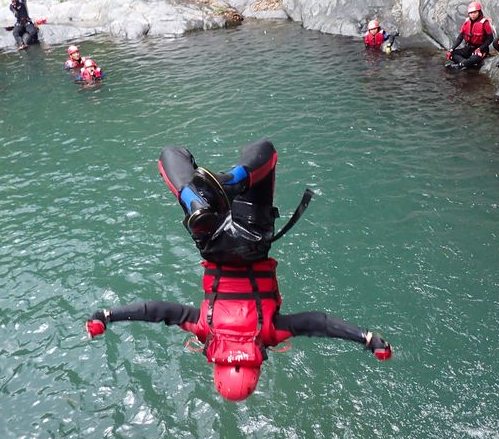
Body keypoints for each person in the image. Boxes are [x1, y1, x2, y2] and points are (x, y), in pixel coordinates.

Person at [86, 139, 392, 402]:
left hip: (252, 238)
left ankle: (234, 181)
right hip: (213, 242)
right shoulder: (205, 329)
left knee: (264, 151)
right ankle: (194, 200)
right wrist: (107, 316)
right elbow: (156, 311)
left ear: (257, 368)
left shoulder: (270, 333)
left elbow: (318, 323)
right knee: (171, 153)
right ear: (216, 367)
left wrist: (365, 338)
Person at [446, 0, 494, 69]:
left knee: (475, 58)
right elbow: (460, 37)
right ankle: (466, 63)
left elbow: (490, 39)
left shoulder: (484, 23)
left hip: (480, 49)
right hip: (468, 48)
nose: (473, 15)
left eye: (475, 12)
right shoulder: (466, 22)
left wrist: (480, 48)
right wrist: (451, 49)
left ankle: (460, 65)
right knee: (452, 54)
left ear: (479, 12)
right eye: (471, 13)